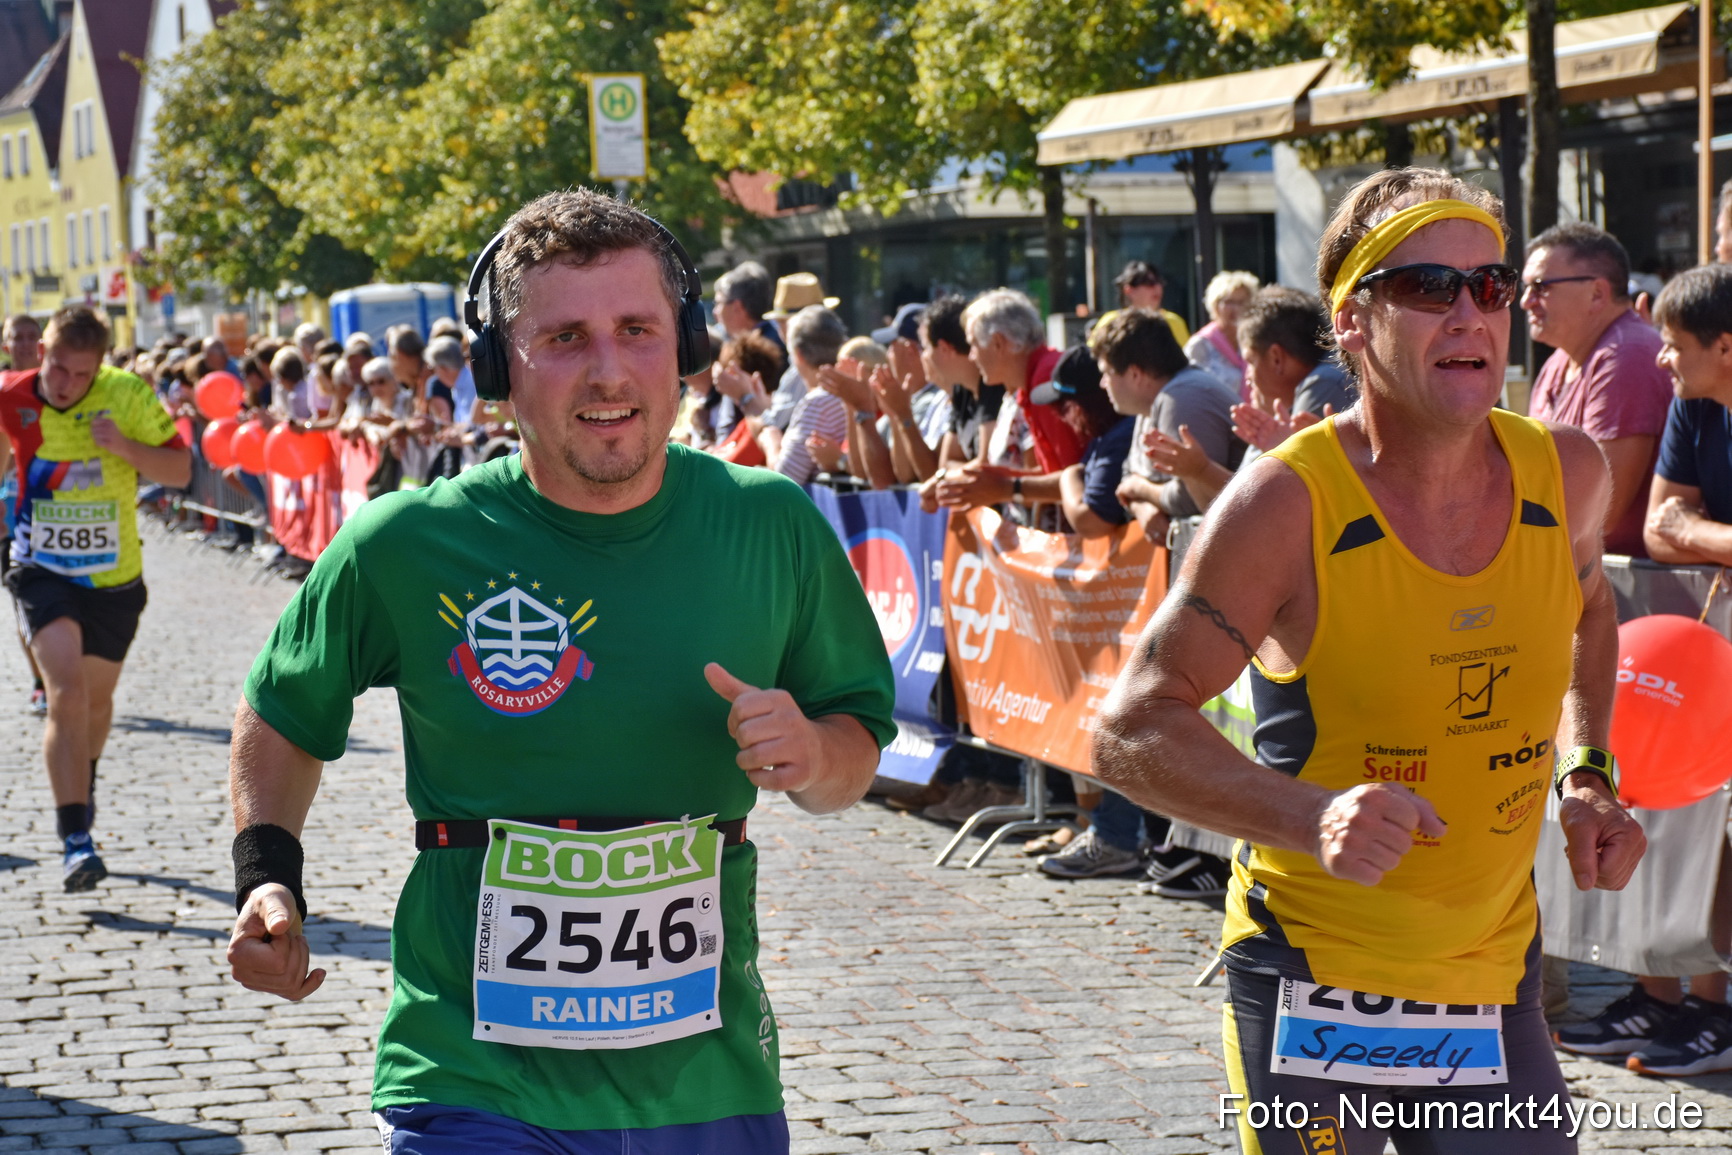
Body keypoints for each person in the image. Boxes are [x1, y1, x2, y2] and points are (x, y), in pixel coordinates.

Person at [225, 189, 895, 1152]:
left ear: (688, 346)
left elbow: (855, 749)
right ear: (501, 364)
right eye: (565, 338)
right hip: (470, 1077)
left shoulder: (772, 524)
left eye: (637, 328)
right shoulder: (408, 542)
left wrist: (813, 754)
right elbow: (283, 708)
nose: (609, 369)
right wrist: (268, 875)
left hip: (707, 1081)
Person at [1093, 168, 1644, 1153]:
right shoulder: (1283, 504)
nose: (1470, 315)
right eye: (1430, 286)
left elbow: (1588, 614)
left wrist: (1587, 772)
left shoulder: (1565, 469)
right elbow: (1129, 729)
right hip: (1317, 973)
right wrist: (1312, 815)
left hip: (1490, 974)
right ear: (1351, 321)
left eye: (1491, 287)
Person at [1557, 264, 1732, 1078]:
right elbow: (1663, 524)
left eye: (1672, 342)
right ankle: (1663, 994)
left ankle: (1712, 1002)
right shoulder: (1693, 407)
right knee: (1668, 805)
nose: (1660, 359)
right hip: (1700, 632)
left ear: (1725, 346)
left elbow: (1679, 520)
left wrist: (1701, 530)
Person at [0, 305, 192, 891]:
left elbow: (182, 470)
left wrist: (126, 447)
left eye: (82, 374)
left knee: (97, 704)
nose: (66, 384)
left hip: (114, 579)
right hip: (41, 567)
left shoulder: (127, 395)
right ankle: (75, 838)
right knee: (66, 692)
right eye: (58, 368)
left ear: (100, 368)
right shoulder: (12, 396)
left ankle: (82, 781)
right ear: (41, 353)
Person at [1522, 222, 1673, 558]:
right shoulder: (1560, 361)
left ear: (1597, 294)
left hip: (1633, 591)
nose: (1525, 301)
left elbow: (1600, 513)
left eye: (1540, 287)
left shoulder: (1625, 354)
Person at [1101, 309, 1240, 539]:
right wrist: (1141, 506)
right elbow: (1129, 472)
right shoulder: (1153, 400)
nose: (1103, 383)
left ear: (1135, 374)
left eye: (1107, 373)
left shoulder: (1182, 398)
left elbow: (1191, 499)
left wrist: (1140, 489)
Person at [0, 313, 47, 713]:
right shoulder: (2, 392)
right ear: (5, 345)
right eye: (17, 337)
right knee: (24, 600)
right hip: (13, 512)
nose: (25, 343)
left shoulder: (61, 387)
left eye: (33, 336)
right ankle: (40, 680)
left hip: (60, 511)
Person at [759, 305, 849, 485]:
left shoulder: (818, 403)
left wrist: (771, 441)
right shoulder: (853, 390)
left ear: (798, 354)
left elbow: (785, 480)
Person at [1184, 271, 1258, 399]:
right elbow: (1188, 387)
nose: (1235, 308)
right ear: (1215, 305)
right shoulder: (1200, 344)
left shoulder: (1253, 341)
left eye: (1241, 302)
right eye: (1229, 302)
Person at [1094, 261, 1190, 348]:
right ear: (1129, 290)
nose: (1157, 287)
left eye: (1159, 282)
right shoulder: (1111, 321)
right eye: (1149, 283)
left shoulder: (1174, 321)